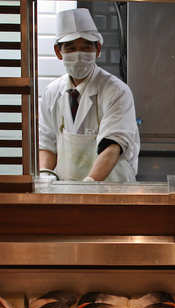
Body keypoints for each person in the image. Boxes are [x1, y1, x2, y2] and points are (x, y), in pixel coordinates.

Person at [38, 8, 139, 182]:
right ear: (58, 52)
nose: (79, 55)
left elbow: (112, 146)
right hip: (68, 193)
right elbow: (47, 144)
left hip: (111, 191)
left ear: (98, 49)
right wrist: (46, 175)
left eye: (86, 47)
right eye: (70, 48)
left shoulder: (116, 91)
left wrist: (89, 185)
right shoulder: (52, 92)